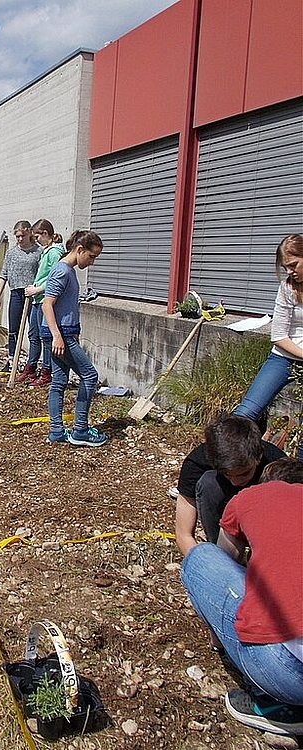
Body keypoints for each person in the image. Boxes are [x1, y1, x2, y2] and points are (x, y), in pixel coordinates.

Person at [180, 457, 303, 737]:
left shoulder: (251, 496)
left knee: (203, 556)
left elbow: (224, 559)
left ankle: (274, 705)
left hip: (289, 676)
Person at [174, 413, 285, 556]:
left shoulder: (277, 464)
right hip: (223, 521)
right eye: (227, 474)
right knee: (209, 483)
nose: (236, 481)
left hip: (264, 523)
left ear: (258, 457)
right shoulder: (197, 462)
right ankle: (221, 553)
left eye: (243, 474)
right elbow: (184, 534)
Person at [234, 234, 303, 459]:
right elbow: (279, 336)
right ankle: (216, 465)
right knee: (245, 414)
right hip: (283, 357)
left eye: (294, 265)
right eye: (286, 268)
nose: (290, 272)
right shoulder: (287, 288)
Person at [42, 230, 107, 447]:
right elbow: (46, 304)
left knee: (59, 382)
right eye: (91, 256)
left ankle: (57, 431)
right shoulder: (63, 271)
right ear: (80, 250)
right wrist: (57, 336)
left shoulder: (66, 269)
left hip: (62, 333)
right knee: (89, 376)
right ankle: (80, 430)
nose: (92, 262)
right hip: (61, 335)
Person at [0, 221, 41, 372]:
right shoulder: (11, 253)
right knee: (13, 329)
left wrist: (36, 290)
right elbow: (4, 274)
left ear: (29, 234)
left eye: (23, 236)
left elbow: (42, 274)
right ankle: (12, 360)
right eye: (17, 236)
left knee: (34, 331)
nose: (20, 239)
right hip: (16, 293)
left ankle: (31, 364)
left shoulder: (38, 252)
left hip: (32, 295)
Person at [22, 223, 64, 386]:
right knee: (33, 335)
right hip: (36, 299)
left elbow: (56, 278)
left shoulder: (55, 253)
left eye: (37, 236)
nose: (36, 240)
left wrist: (38, 289)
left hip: (45, 299)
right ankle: (31, 367)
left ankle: (46, 371)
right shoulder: (46, 252)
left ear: (46, 233)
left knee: (45, 337)